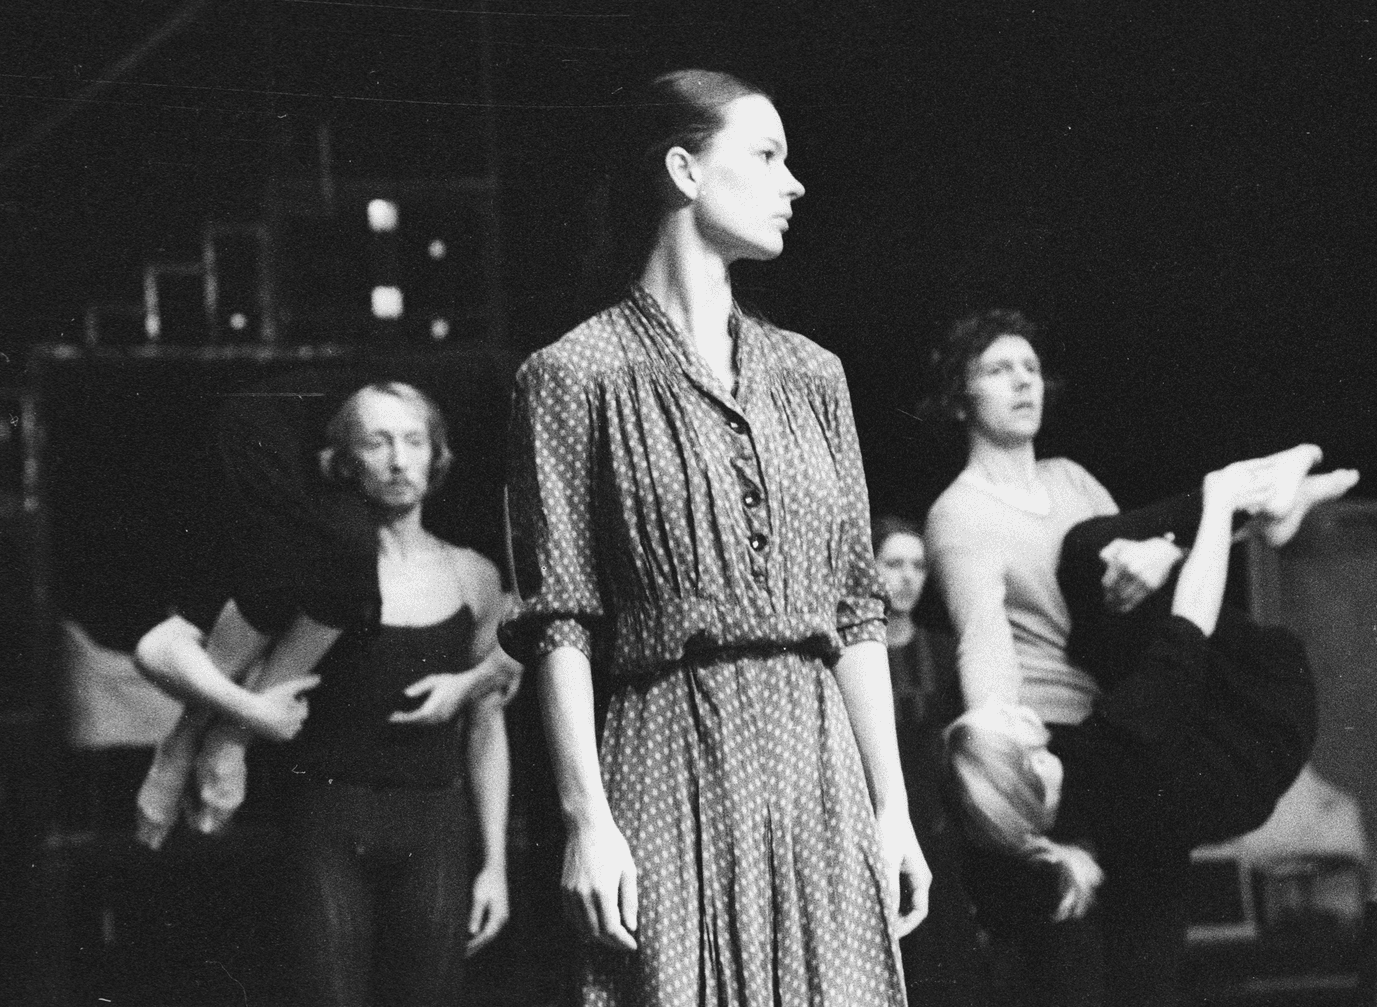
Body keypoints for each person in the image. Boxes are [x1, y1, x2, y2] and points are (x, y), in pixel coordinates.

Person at [505, 69, 928, 1007]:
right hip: (667, 754)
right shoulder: (574, 375)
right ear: (684, 170)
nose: (795, 184)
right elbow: (560, 619)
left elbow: (856, 613)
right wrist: (587, 819)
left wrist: (892, 808)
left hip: (819, 763)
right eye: (768, 155)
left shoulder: (814, 375)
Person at [923, 308, 1357, 1004]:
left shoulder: (1070, 480)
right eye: (999, 368)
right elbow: (983, 636)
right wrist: (999, 771)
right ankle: (1255, 497)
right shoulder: (960, 513)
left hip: (1128, 725)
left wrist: (1164, 552)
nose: (1022, 380)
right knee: (1081, 967)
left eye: (1031, 367)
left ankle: (1262, 505)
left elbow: (1140, 580)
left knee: (1108, 547)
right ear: (959, 395)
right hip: (1061, 748)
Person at [135, 381, 518, 1005]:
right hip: (326, 819)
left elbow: (487, 727)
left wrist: (496, 863)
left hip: (436, 823)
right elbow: (165, 652)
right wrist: (236, 721)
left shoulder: (472, 574)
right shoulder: (314, 570)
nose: (398, 461)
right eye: (378, 442)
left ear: (436, 455)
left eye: (414, 441)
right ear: (344, 461)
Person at [873, 516, 980, 1007]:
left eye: (918, 565)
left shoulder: (939, 649)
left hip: (938, 831)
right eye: (893, 563)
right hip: (877, 828)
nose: (908, 577)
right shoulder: (855, 658)